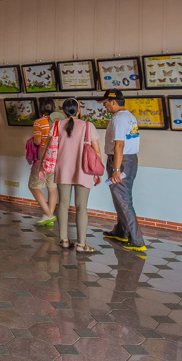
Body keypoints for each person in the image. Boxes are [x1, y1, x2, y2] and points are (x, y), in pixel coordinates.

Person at [50, 98, 102, 253]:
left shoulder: (57, 125)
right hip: (83, 170)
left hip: (63, 169)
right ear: (78, 110)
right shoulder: (88, 126)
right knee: (81, 207)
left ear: (63, 111)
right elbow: (96, 150)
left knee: (63, 205)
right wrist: (97, 172)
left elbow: (51, 148)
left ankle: (64, 240)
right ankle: (81, 244)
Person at [98, 90, 146, 252]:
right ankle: (121, 231)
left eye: (106, 102)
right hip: (130, 159)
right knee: (120, 197)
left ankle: (137, 240)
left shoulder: (119, 119)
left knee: (124, 200)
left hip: (121, 161)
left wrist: (116, 169)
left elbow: (119, 145)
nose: (105, 106)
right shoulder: (128, 116)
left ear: (113, 102)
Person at [27, 98, 59, 225]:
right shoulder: (59, 122)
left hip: (43, 158)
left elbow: (37, 142)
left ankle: (49, 214)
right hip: (57, 158)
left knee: (33, 186)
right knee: (52, 188)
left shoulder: (38, 122)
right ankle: (48, 217)